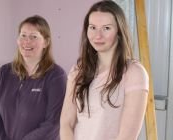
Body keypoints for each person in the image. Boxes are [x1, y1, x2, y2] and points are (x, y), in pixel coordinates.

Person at [60, 1, 149, 140]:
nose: (98, 35)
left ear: (119, 31)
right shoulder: (78, 70)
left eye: (106, 28)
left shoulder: (134, 73)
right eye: (93, 27)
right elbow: (66, 123)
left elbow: (126, 136)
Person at [0, 15, 67, 140]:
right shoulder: (3, 73)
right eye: (23, 35)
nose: (26, 41)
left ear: (46, 42)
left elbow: (54, 123)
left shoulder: (56, 76)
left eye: (33, 36)